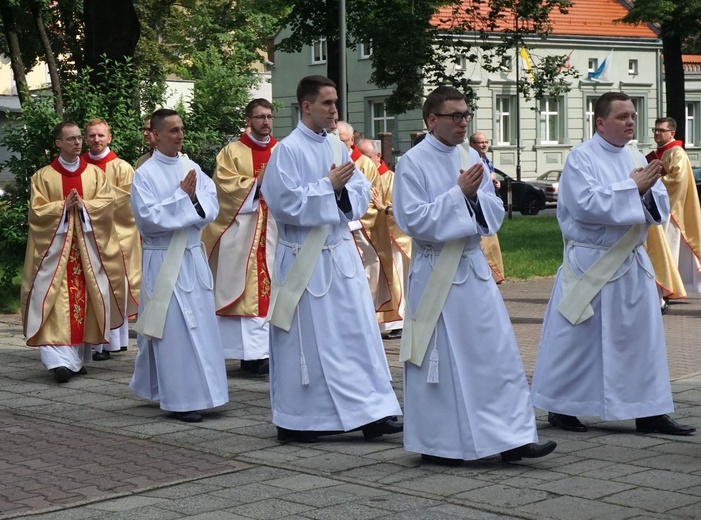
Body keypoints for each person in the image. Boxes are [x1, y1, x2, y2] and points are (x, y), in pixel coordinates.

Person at [393, 86, 556, 465]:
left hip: (471, 269)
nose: (463, 122)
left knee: (496, 355)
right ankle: (442, 444)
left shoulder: (471, 157)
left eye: (466, 114)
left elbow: (493, 213)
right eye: (455, 116)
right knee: (444, 361)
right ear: (432, 120)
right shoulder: (413, 163)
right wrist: (458, 195)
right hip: (436, 272)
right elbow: (411, 219)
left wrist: (470, 196)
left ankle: (512, 437)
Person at [531, 92, 696, 436]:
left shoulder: (637, 154)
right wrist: (631, 186)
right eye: (622, 117)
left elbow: (659, 205)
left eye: (633, 116)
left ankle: (649, 411)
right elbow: (584, 205)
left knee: (641, 341)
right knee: (578, 339)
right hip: (591, 262)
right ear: (601, 122)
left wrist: (645, 190)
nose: (631, 122)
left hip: (631, 264)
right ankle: (563, 407)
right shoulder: (581, 158)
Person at [261, 75, 403, 443]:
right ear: (306, 106)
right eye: (326, 103)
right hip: (304, 259)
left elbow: (359, 193)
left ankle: (372, 412)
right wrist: (329, 187)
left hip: (339, 255)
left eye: (336, 102)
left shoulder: (338, 149)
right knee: (307, 339)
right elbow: (284, 203)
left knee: (355, 334)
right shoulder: (286, 151)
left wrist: (339, 190)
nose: (334, 109)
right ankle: (299, 420)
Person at [129, 108, 229, 423]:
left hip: (191, 255)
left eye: (181, 129)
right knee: (170, 329)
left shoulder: (191, 167)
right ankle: (180, 399)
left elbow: (211, 207)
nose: (179, 135)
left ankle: (205, 391)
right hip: (162, 259)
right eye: (172, 130)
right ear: (155, 135)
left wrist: (189, 201)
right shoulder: (144, 174)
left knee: (200, 326)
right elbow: (148, 219)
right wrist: (181, 198)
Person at [21, 122, 126, 383]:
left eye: (80, 138)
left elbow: (107, 205)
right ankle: (57, 361)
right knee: (54, 302)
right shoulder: (43, 177)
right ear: (58, 143)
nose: (78, 143)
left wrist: (85, 208)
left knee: (83, 302)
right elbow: (36, 213)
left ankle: (75, 360)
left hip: (85, 250)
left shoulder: (94, 175)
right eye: (71, 139)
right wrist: (61, 208)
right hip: (54, 253)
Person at [202, 99, 278, 375]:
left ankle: (270, 350)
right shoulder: (231, 152)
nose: (265, 122)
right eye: (259, 117)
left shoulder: (281, 150)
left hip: (274, 230)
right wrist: (256, 184)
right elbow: (223, 187)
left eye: (269, 116)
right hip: (242, 232)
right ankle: (251, 355)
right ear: (248, 120)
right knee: (244, 291)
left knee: (274, 288)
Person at [82, 118, 141, 360]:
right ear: (86, 138)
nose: (96, 139)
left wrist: (95, 202)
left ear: (110, 138)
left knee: (111, 286)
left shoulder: (122, 167)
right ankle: (91, 342)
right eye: (92, 136)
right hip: (86, 235)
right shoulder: (79, 166)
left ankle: (113, 342)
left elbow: (128, 203)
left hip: (115, 236)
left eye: (101, 135)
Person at [337, 121, 399, 318]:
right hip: (335, 230)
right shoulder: (327, 158)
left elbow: (373, 200)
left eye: (342, 141)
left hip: (361, 230)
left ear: (352, 140)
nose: (338, 145)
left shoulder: (364, 165)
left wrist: (351, 218)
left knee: (367, 272)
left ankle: (366, 315)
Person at [357, 138, 408, 339]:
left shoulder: (391, 178)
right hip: (369, 235)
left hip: (391, 237)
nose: (364, 160)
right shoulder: (362, 177)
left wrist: (383, 210)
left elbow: (401, 209)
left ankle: (396, 321)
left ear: (378, 156)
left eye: (367, 156)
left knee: (394, 278)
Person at [649, 117, 701, 297]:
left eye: (661, 130)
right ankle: (668, 287)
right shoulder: (658, 152)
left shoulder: (676, 152)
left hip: (671, 209)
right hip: (660, 206)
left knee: (669, 248)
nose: (656, 133)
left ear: (672, 133)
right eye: (655, 129)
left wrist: (649, 182)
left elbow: (676, 180)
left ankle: (669, 288)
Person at [468, 132, 505, 283]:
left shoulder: (487, 160)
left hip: (488, 206)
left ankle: (494, 274)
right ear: (472, 145)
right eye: (480, 142)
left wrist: (496, 184)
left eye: (485, 142)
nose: (484, 145)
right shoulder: (470, 161)